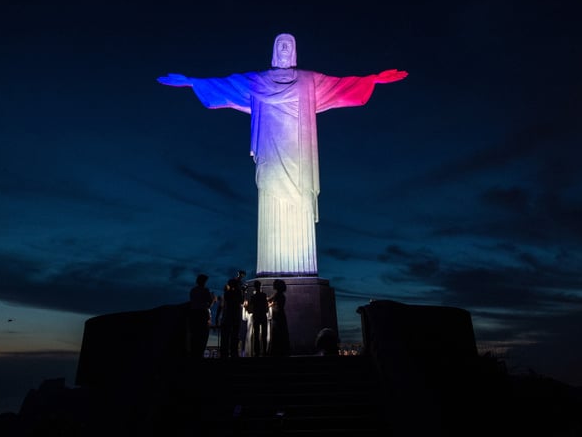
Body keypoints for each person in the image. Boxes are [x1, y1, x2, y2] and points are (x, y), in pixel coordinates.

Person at [158, 34, 407, 278]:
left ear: (295, 50)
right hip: (271, 154)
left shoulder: (310, 80)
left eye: (290, 45)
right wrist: (193, 82)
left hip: (300, 159)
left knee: (299, 202)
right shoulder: (258, 80)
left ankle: (303, 269)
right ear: (275, 50)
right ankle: (271, 268)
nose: (286, 48)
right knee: (271, 201)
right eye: (281, 44)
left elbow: (341, 85)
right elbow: (227, 85)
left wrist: (372, 80)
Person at [220, 269, 247, 358]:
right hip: (234, 314)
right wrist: (243, 291)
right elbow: (241, 300)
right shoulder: (236, 292)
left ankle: (225, 352)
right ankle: (233, 352)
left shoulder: (227, 293)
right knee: (234, 334)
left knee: (227, 335)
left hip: (229, 315)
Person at [188, 274, 214, 359]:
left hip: (194, 314)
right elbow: (209, 304)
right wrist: (213, 299)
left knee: (194, 335)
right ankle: (200, 354)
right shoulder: (205, 290)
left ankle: (193, 353)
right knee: (203, 335)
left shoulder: (193, 290)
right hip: (202, 314)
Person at [244, 280, 270, 357]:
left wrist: (246, 307)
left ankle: (257, 352)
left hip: (256, 317)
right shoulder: (264, 295)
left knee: (256, 335)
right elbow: (266, 308)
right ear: (260, 286)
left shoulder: (253, 297)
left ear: (255, 287)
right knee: (264, 335)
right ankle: (264, 351)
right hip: (263, 316)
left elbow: (250, 309)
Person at [267, 279, 290, 357]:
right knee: (282, 333)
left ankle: (276, 351)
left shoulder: (276, 294)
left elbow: (268, 300)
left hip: (277, 316)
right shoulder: (281, 295)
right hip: (281, 315)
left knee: (276, 333)